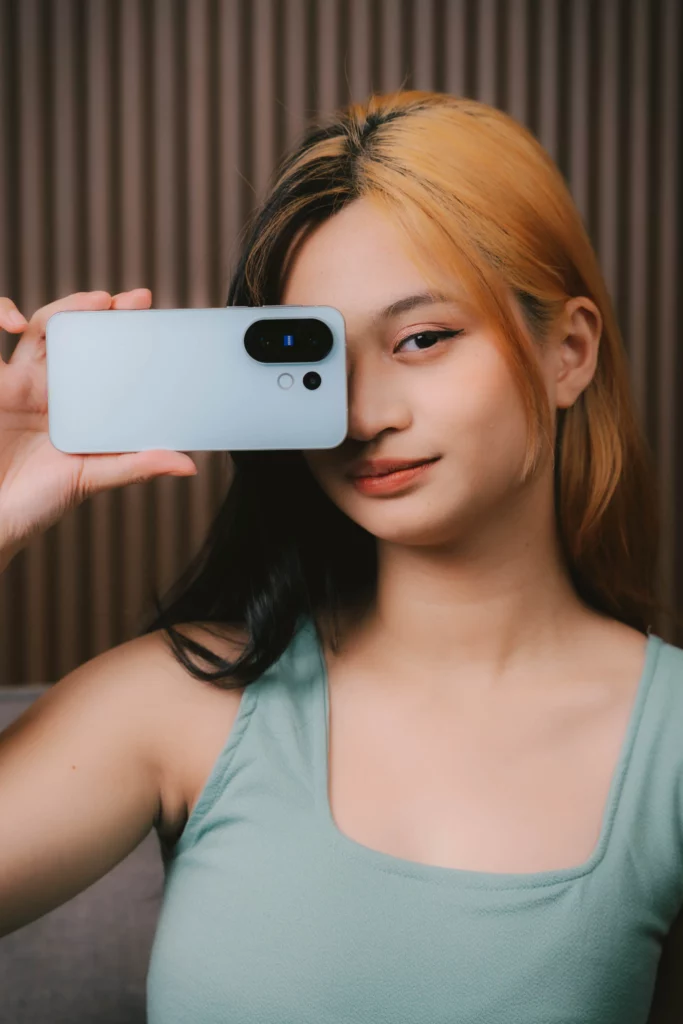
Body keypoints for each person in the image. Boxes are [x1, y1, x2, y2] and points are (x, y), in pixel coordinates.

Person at [0, 90, 681, 1022]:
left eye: (422, 339)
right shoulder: (179, 706)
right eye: (310, 362)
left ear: (568, 350)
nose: (363, 415)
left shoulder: (670, 742)